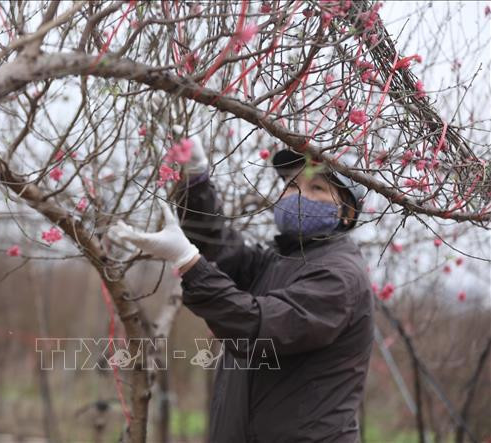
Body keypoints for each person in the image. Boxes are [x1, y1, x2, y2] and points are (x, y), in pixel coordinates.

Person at [107, 134, 374, 443]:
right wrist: (196, 182)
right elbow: (222, 247)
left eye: (317, 188)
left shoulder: (338, 278)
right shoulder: (281, 262)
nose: (299, 195)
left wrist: (188, 261)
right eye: (292, 185)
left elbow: (258, 327)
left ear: (347, 213)